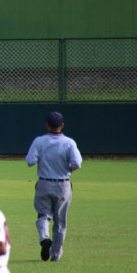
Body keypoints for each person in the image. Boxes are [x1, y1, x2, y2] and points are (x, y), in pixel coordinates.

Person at [25, 111, 82, 262]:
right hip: (63, 184)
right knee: (60, 221)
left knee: (43, 215)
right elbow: (77, 163)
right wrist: (68, 169)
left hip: (44, 182)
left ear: (47, 125)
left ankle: (44, 237)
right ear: (62, 125)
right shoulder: (69, 142)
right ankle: (55, 254)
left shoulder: (39, 141)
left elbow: (30, 161)